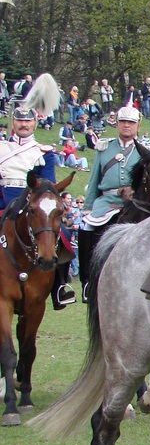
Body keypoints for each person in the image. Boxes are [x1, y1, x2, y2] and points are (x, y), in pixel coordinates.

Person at [1, 92, 77, 309]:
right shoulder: (1, 148)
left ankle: (59, 287)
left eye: (28, 121)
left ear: (35, 122)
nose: (23, 124)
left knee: (63, 235)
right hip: (2, 205)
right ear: (13, 122)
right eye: (19, 120)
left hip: (32, 205)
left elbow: (48, 185)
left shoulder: (44, 152)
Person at [79, 105, 150, 303]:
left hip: (135, 204)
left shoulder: (146, 150)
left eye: (131, 122)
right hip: (106, 202)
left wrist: (134, 191)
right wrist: (88, 207)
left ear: (138, 125)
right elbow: (94, 178)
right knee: (85, 227)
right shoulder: (104, 147)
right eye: (123, 122)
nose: (127, 125)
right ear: (117, 124)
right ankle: (87, 281)